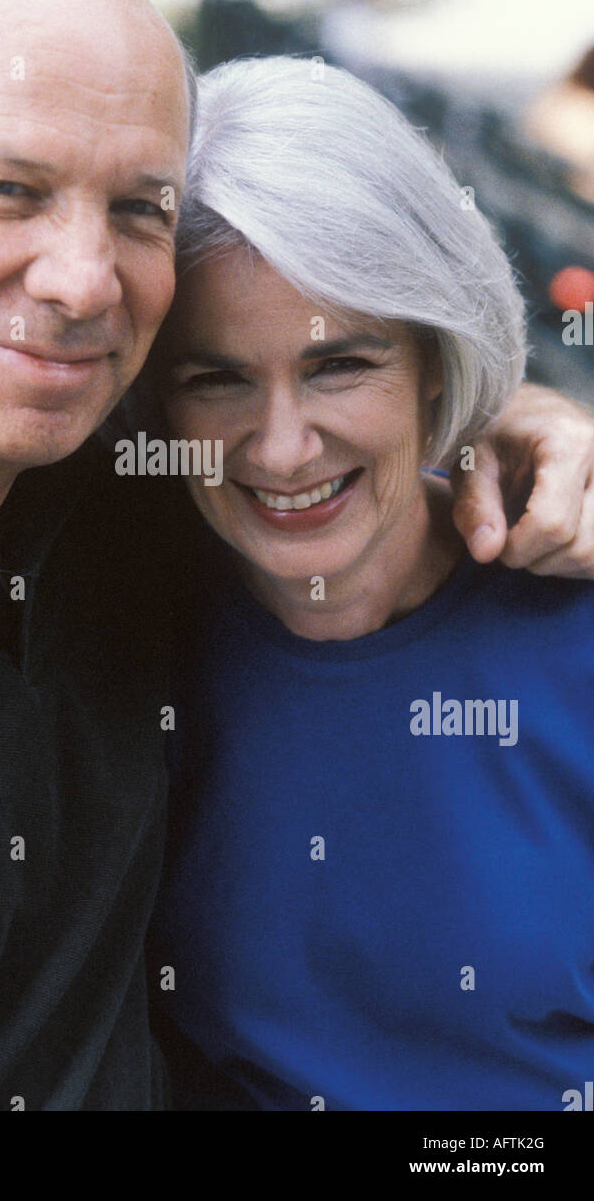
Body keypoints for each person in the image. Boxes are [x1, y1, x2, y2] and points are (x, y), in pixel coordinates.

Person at [0, 0, 593, 1114]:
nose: (82, 281)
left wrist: (525, 423)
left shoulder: (107, 482)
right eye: (8, 187)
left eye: (139, 206)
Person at [147, 56, 594, 1111]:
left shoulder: (573, 617)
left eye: (339, 365)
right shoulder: (120, 613)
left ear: (438, 362)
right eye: (217, 378)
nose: (284, 446)